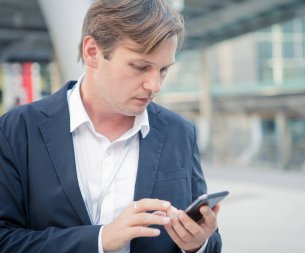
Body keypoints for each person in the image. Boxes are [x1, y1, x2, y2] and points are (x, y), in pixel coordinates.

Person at [0, 0, 222, 252]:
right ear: (92, 52)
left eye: (163, 70)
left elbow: (211, 242)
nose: (155, 85)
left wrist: (198, 244)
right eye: (141, 67)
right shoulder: (16, 131)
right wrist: (100, 240)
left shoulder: (181, 132)